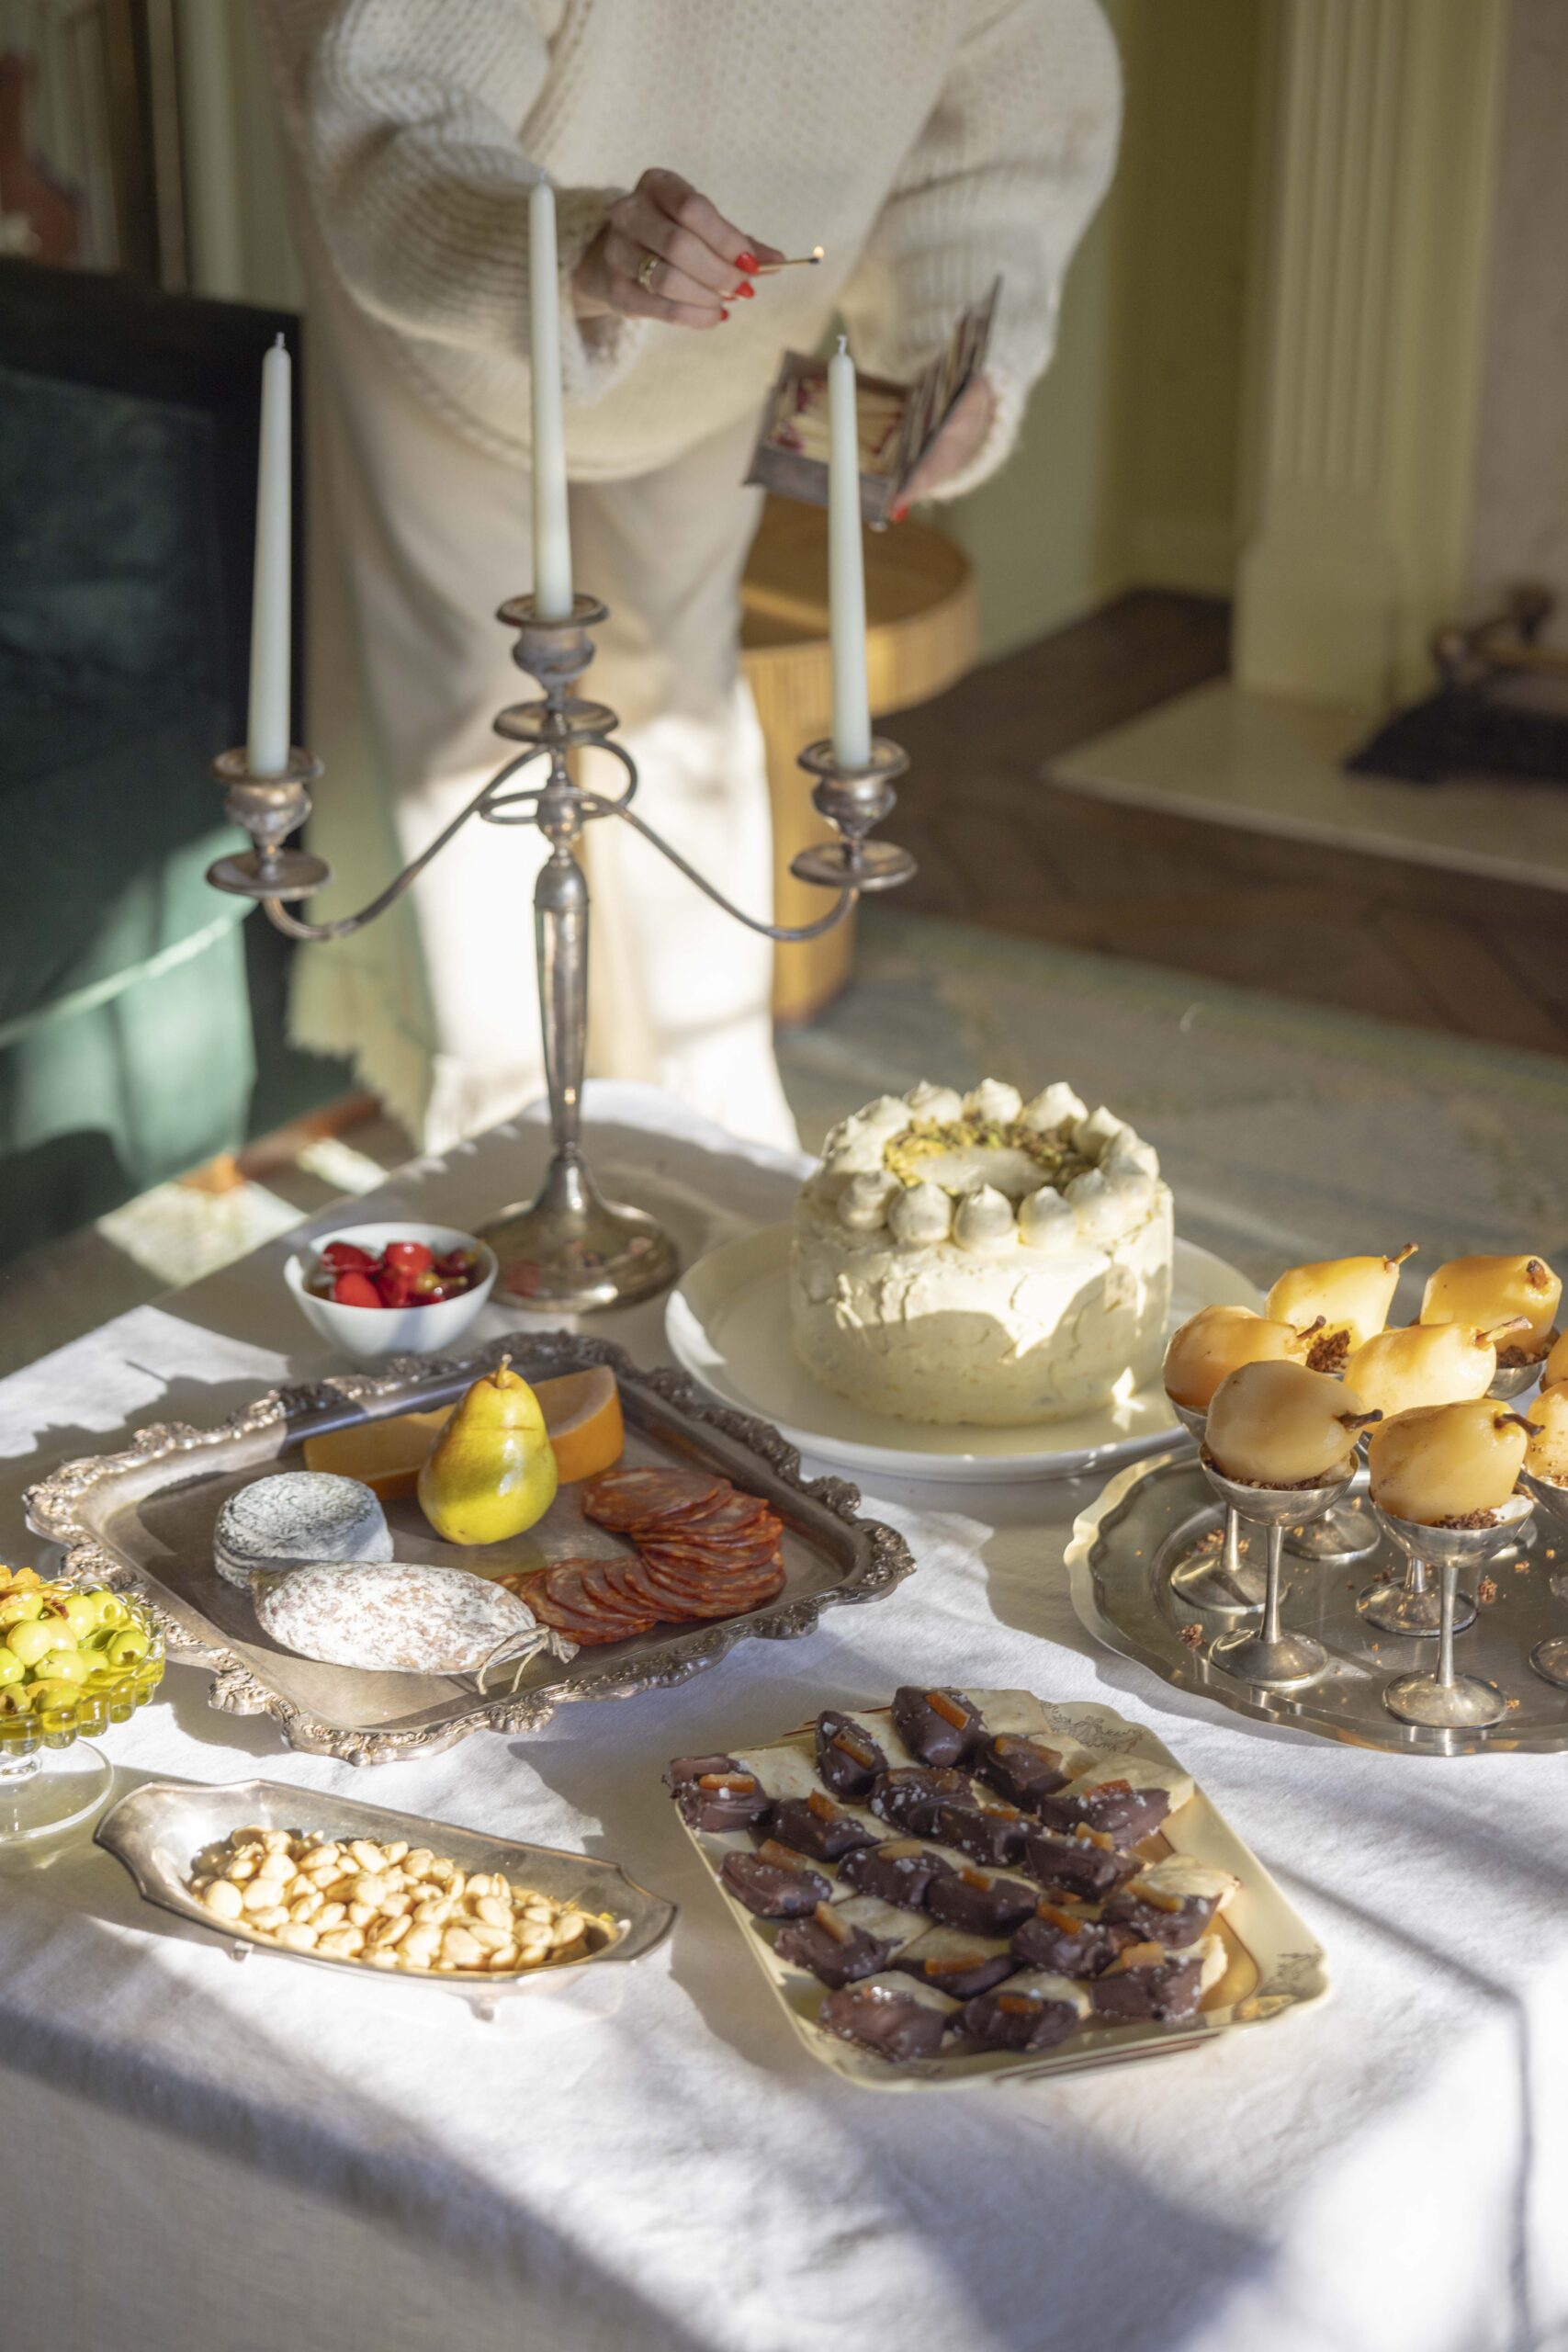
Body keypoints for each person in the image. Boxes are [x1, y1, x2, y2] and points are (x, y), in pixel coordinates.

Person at [259, 0, 1121, 1154]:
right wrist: (569, 248)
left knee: (677, 690)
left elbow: (1018, 109)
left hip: (728, 324)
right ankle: (505, 1152)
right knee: (468, 724)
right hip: (450, 285)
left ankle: (709, 1132)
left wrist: (960, 356)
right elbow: (393, 115)